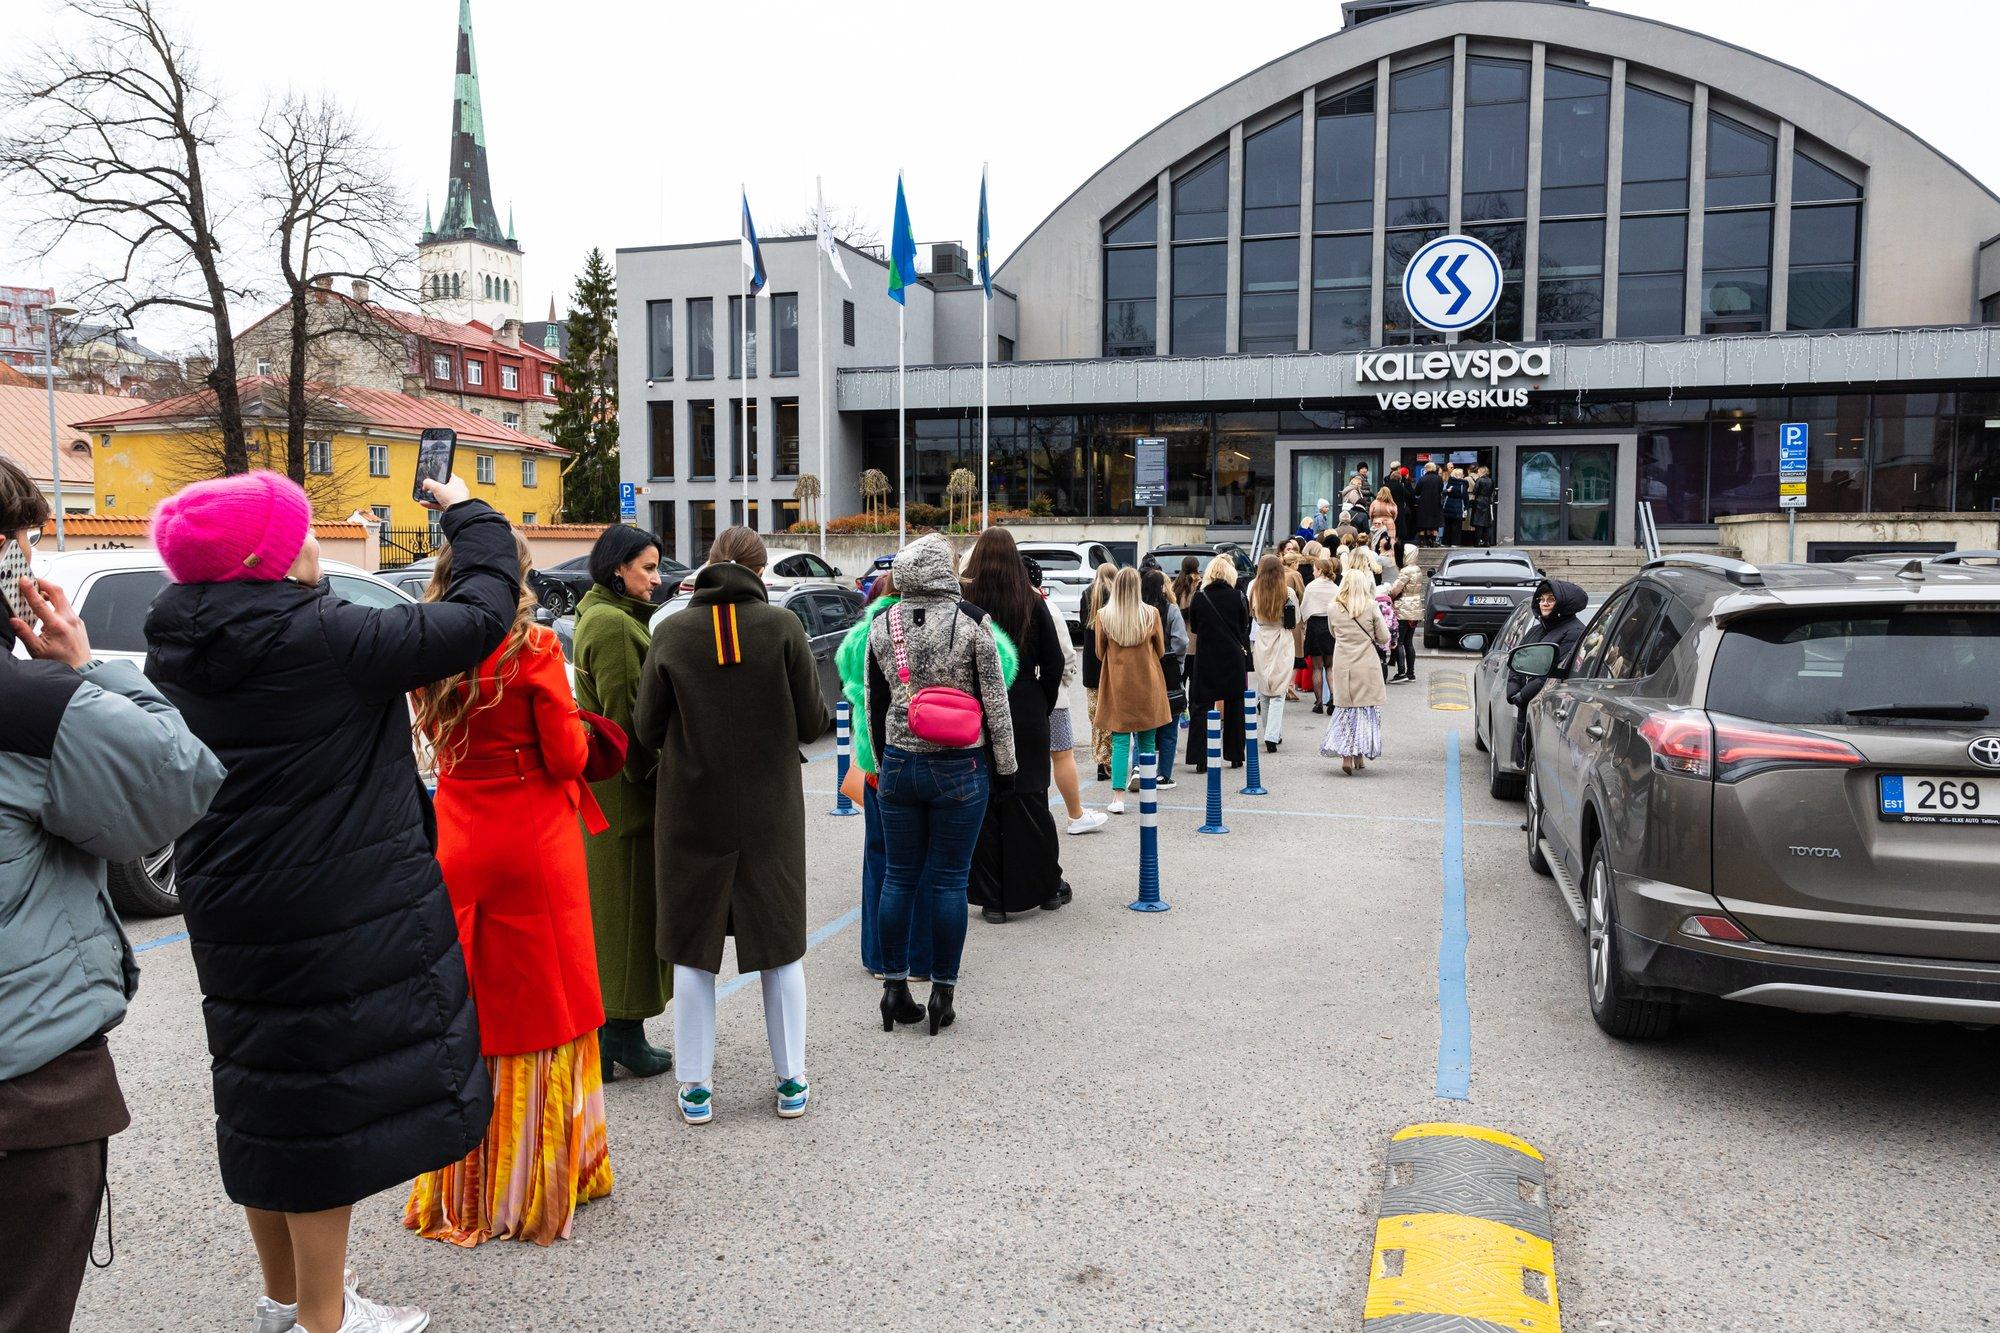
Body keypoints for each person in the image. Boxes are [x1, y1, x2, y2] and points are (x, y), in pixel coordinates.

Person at [146, 469, 518, 1333]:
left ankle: (285, 1300)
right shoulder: (327, 636)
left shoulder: (179, 640)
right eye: (300, 532)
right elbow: (480, 615)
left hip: (233, 904)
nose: (315, 543)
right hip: (331, 902)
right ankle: (325, 1319)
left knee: (266, 1099)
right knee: (323, 1112)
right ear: (263, 560)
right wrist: (468, 511)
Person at [0, 459, 224, 1333]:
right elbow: (178, 778)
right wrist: (85, 665)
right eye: (18, 545)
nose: (26, 561)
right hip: (27, 1089)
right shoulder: (30, 706)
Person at [404, 533, 612, 1247]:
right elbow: (567, 755)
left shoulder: (428, 649)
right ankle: (538, 1175)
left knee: (474, 1002)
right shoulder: (535, 648)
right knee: (546, 999)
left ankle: (467, 1180)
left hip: (459, 833)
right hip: (531, 837)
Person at [635, 527, 829, 1125]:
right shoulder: (783, 628)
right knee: (779, 943)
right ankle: (791, 1080)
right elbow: (811, 722)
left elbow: (646, 729)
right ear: (760, 571)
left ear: (710, 564)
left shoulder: (671, 632)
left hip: (692, 808)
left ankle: (696, 1088)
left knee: (693, 948)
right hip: (770, 811)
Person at [866, 534, 1017, 1037]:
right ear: (945, 571)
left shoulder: (882, 622)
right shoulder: (973, 622)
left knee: (898, 877)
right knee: (950, 880)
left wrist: (884, 761)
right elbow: (995, 703)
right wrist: (1006, 767)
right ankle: (942, 994)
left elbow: (874, 700)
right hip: (959, 765)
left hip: (899, 763)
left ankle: (893, 988)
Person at [572, 525, 673, 1082]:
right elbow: (628, 722)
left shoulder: (605, 615)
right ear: (618, 568)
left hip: (612, 790)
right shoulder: (612, 625)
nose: (657, 579)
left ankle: (613, 1033)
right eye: (647, 568)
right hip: (626, 792)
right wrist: (658, 780)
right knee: (629, 913)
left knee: (619, 911)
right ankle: (620, 1033)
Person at [963, 528, 1071, 920]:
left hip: (977, 709)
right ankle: (1046, 886)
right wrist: (1041, 700)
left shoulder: (966, 603)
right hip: (1024, 704)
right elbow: (1055, 662)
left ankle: (993, 899)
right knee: (1032, 799)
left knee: (988, 804)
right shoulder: (1031, 600)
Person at [1092, 567, 1172, 814]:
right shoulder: (1151, 614)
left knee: (1120, 740)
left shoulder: (1104, 616)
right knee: (1147, 738)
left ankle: (1118, 798)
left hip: (1117, 684)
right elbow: (1161, 650)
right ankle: (1148, 791)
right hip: (1147, 681)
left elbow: (1099, 652)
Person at [1036, 560, 1105, 835]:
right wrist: (1062, 683)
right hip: (1052, 696)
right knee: (1063, 755)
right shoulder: (1046, 607)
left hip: (1019, 696)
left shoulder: (1001, 604)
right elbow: (1066, 654)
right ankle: (1076, 815)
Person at [1506, 579, 1589, 769]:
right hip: (1527, 703)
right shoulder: (1537, 630)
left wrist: (1523, 694)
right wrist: (1513, 690)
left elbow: (1554, 671)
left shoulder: (1574, 632)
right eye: (1541, 599)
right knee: (1527, 761)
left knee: (1539, 765)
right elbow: (1518, 661)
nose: (1544, 603)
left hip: (1547, 704)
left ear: (1564, 604)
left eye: (1551, 599)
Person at [1321, 566, 1389, 776]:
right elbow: (1384, 637)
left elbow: (1333, 632)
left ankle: (1348, 756)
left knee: (1346, 709)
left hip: (1343, 663)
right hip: (1366, 664)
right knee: (1365, 710)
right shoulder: (1371, 606)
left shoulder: (1333, 607)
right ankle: (1360, 753)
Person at [1185, 554, 1249, 772]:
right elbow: (1244, 626)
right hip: (1232, 657)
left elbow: (1194, 628)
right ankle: (1235, 754)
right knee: (1234, 706)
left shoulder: (1200, 597)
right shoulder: (1238, 596)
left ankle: (1200, 757)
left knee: (1201, 706)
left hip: (1206, 657)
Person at [1140, 566, 1187, 789]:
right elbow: (1181, 641)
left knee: (1143, 723)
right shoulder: (1171, 610)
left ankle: (1140, 768)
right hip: (1168, 668)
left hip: (1142, 668)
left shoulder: (1138, 611)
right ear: (1162, 588)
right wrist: (1176, 660)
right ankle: (1163, 774)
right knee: (1170, 722)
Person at [1246, 554, 1298, 754]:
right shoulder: (1287, 591)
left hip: (1262, 637)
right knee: (1279, 689)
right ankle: (1272, 734)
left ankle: (1270, 731)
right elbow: (1296, 618)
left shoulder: (1254, 590)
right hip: (1282, 638)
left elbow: (1251, 615)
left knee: (1265, 687)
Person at [1078, 561, 1117, 781]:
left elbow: (1083, 623)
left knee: (1096, 716)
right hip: (1110, 662)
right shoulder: (1115, 596)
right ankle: (1109, 759)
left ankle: (1100, 760)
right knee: (1112, 713)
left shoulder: (1087, 595)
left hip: (1091, 665)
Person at [1300, 554, 1340, 713]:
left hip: (1315, 626)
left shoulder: (1311, 587)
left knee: (1317, 667)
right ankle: (1333, 697)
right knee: (1330, 666)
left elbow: (1304, 609)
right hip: (1330, 626)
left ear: (1320, 570)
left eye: (1314, 569)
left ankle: (1318, 703)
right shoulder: (1335, 588)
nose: (1313, 572)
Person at [1389, 544, 1426, 683]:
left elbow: (1395, 590)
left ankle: (1401, 672)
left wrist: (1389, 596)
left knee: (1399, 641)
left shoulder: (1405, 571)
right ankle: (1411, 673)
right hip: (1415, 607)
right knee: (1409, 642)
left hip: (1403, 607)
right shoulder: (1417, 569)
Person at [1388, 465, 1418, 553]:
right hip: (1399, 510)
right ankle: (1397, 544)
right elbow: (1409, 496)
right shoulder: (1401, 486)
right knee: (1398, 528)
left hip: (1388, 510)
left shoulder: (1385, 486)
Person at [1415, 462, 1444, 546]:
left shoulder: (1422, 479)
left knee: (1422, 524)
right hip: (1435, 504)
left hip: (1423, 504)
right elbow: (1441, 490)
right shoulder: (1439, 479)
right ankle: (1433, 542)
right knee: (1434, 525)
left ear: (1427, 469)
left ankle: (1421, 542)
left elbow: (1417, 492)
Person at [1443, 466, 1470, 545]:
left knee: (1447, 525)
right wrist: (1466, 508)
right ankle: (1455, 543)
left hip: (1448, 506)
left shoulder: (1450, 483)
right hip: (1458, 507)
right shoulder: (1462, 484)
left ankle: (1445, 542)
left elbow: (1445, 493)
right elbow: (1465, 497)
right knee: (1456, 526)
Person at [1471, 465, 1497, 546]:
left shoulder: (1479, 480)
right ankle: (1487, 542)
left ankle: (1477, 542)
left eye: (1478, 471)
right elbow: (1492, 491)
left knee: (1478, 523)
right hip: (1487, 501)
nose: (1477, 472)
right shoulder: (1491, 480)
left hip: (1479, 501)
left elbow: (1475, 491)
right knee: (1487, 523)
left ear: (1482, 471)